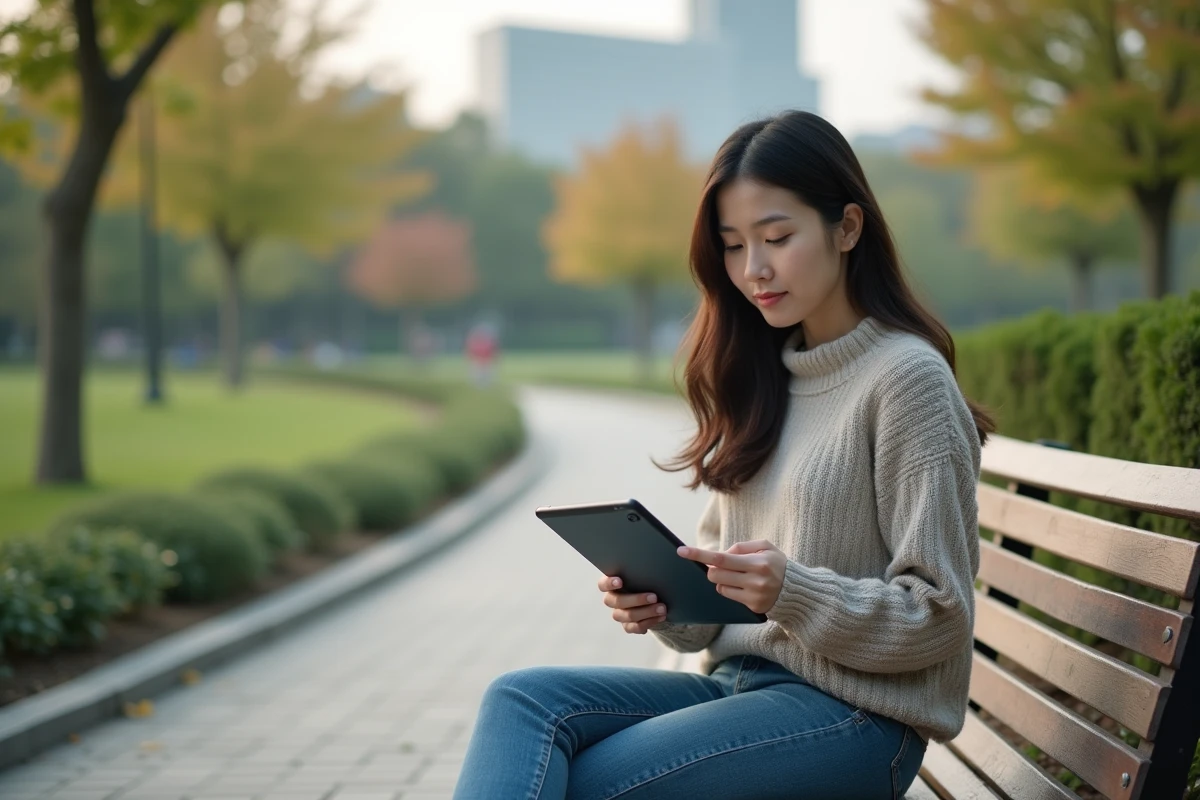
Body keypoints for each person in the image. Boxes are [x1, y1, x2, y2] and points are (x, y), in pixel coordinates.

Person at [452, 110, 993, 800]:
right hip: (738, 689)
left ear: (848, 228)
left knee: (574, 786)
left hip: (855, 719)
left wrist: (792, 590)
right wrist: (664, 602)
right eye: (734, 246)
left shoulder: (906, 382)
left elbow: (939, 619)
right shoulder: (768, 373)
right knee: (520, 702)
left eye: (777, 237)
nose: (753, 269)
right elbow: (712, 616)